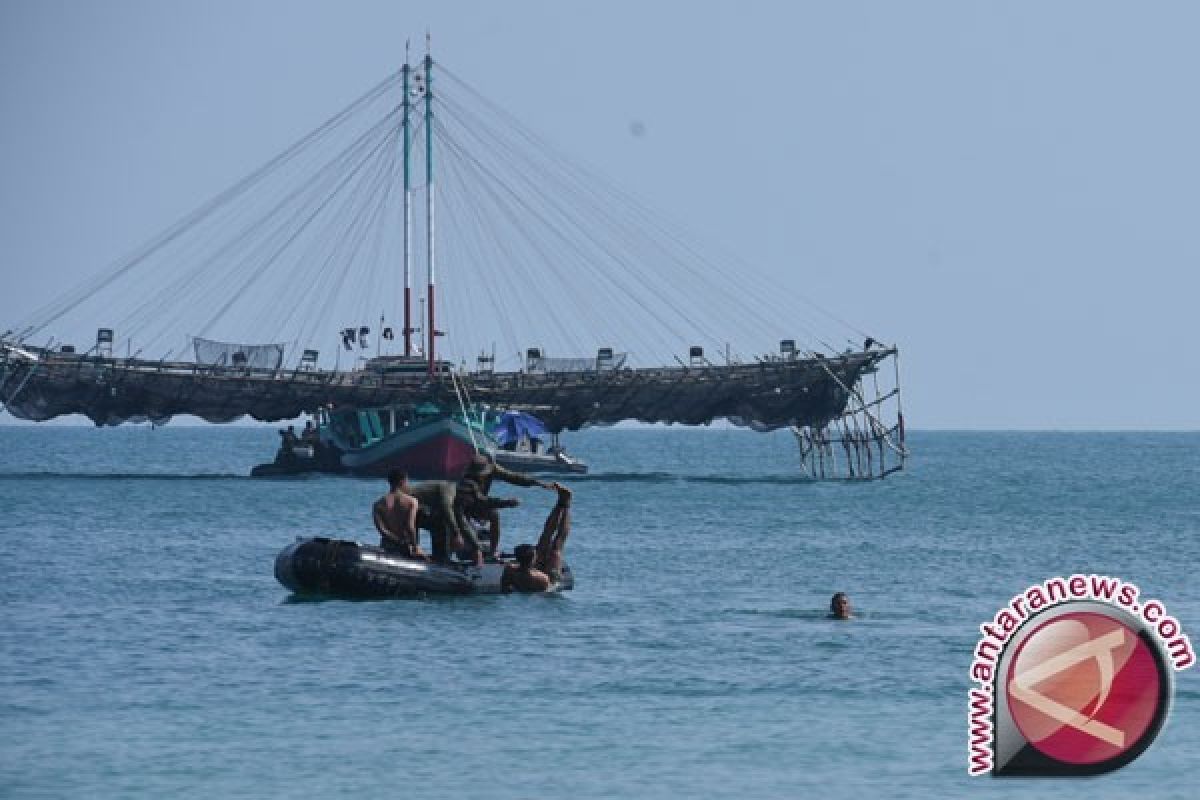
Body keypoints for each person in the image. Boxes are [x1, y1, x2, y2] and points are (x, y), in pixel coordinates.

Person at [457, 453, 549, 555]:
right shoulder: (466, 480)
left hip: (478, 504)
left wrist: (536, 482)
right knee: (464, 523)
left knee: (493, 514)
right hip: (463, 507)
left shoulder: (493, 468)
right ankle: (464, 547)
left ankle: (493, 550)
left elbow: (513, 477)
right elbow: (481, 500)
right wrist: (506, 503)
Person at [502, 483, 573, 593]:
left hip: (529, 572)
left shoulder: (509, 570)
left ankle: (560, 502)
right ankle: (566, 504)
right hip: (550, 577)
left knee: (545, 536)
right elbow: (550, 587)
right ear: (533, 558)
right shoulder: (542, 579)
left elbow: (505, 587)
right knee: (557, 545)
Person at [405, 480, 485, 567]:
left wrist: (477, 548)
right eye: (472, 498)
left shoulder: (457, 502)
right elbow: (446, 508)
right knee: (443, 523)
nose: (472, 502)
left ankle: (440, 558)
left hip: (419, 512)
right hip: (408, 508)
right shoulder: (449, 489)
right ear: (464, 493)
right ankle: (440, 559)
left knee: (444, 523)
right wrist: (456, 534)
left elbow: (464, 525)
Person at [372, 469, 422, 558]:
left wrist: (397, 541)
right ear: (402, 481)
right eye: (407, 481)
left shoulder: (378, 504)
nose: (408, 484)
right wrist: (415, 546)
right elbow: (410, 526)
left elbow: (383, 530)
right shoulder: (412, 501)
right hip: (405, 547)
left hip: (387, 546)